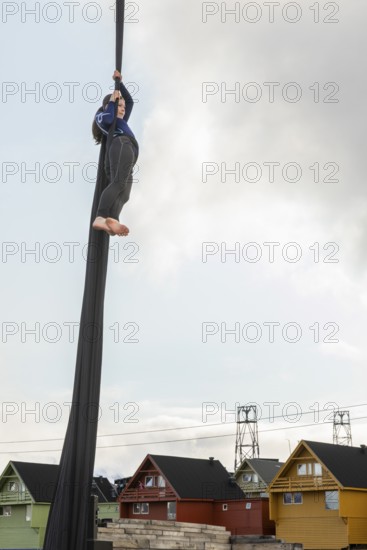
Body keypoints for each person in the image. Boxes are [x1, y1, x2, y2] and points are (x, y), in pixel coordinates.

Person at [92, 70, 139, 236]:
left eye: (123, 107)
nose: (123, 109)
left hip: (128, 151)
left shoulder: (120, 120)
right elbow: (106, 119)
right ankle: (100, 216)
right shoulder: (105, 118)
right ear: (109, 105)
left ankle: (112, 219)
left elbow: (130, 102)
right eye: (119, 106)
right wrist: (113, 99)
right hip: (121, 145)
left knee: (125, 193)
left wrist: (119, 84)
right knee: (118, 183)